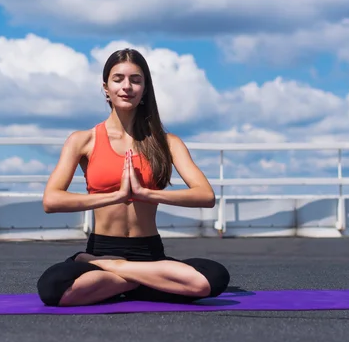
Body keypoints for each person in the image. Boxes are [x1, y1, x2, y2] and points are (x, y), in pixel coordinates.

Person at [36, 48, 230, 307]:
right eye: (118, 79)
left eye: (135, 80)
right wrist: (115, 196)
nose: (126, 86)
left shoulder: (167, 143)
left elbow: (205, 196)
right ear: (106, 88)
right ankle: (148, 282)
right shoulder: (83, 140)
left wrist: (146, 194)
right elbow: (51, 200)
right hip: (102, 250)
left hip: (148, 254)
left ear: (145, 88)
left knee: (213, 278)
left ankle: (118, 274)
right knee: (52, 287)